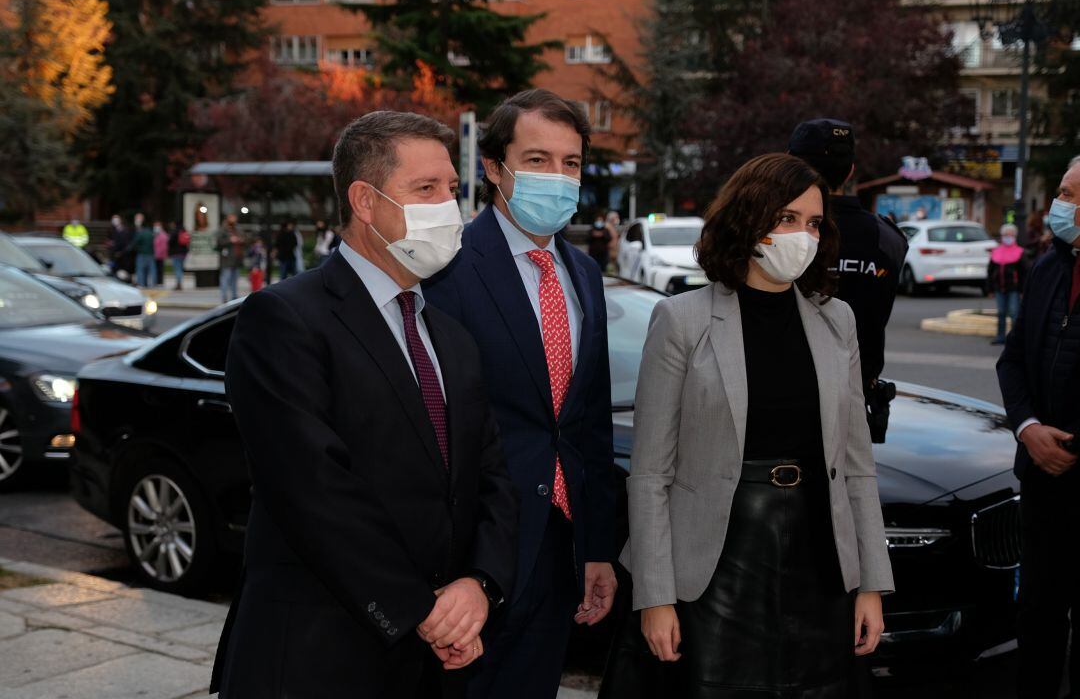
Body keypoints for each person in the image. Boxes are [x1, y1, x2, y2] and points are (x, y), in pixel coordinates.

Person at [210, 111, 519, 699]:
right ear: (365, 201)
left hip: (434, 663)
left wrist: (479, 585)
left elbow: (491, 478)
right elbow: (312, 488)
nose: (447, 206)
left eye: (452, 189)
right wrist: (418, 609)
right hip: (316, 656)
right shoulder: (285, 318)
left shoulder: (450, 336)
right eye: (425, 189)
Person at [603, 153, 893, 699]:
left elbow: (857, 466)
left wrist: (873, 584)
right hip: (715, 568)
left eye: (812, 223)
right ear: (748, 219)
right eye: (786, 219)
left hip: (820, 561)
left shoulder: (837, 321)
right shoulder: (682, 321)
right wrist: (655, 596)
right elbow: (649, 474)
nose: (802, 236)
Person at [425, 89, 617, 699]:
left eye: (571, 164)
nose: (557, 178)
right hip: (470, 552)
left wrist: (597, 547)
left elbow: (587, 421)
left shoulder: (583, 273)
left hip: (559, 548)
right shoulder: (446, 264)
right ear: (493, 168)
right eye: (537, 160)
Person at [996, 158, 1080, 699]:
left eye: (1071, 194)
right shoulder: (1049, 266)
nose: (1060, 205)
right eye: (1063, 192)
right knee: (1038, 616)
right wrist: (1028, 428)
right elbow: (1014, 361)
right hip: (1043, 482)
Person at [789, 119, 908, 443]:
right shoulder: (888, 238)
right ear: (851, 169)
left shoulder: (781, 235)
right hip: (858, 401)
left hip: (789, 402)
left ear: (792, 166)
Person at [988, 223, 1026, 346]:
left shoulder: (1020, 252)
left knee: (1014, 314)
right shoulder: (996, 252)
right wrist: (989, 289)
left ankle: (1015, 338)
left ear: (1014, 236)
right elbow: (990, 272)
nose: (1007, 237)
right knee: (1001, 313)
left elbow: (1023, 274)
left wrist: (1022, 290)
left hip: (1014, 289)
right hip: (999, 288)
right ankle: (1000, 336)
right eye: (1005, 235)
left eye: (1010, 235)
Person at [216, 214, 245, 303]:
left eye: (234, 218)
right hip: (227, 258)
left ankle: (234, 296)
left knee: (235, 278)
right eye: (232, 218)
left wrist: (241, 239)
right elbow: (219, 242)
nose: (233, 220)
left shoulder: (238, 228)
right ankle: (224, 296)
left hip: (237, 257)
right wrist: (230, 240)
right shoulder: (223, 229)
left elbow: (245, 238)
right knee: (226, 277)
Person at [130, 214, 157, 287]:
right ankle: (152, 284)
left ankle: (141, 284)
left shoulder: (140, 233)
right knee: (151, 270)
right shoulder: (151, 233)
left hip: (141, 253)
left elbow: (135, 243)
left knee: (140, 270)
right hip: (150, 253)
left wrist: (131, 249)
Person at [168, 222, 190, 291]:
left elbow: (170, 242)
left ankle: (179, 284)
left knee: (177, 269)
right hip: (183, 253)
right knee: (180, 268)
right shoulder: (184, 231)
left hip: (176, 253)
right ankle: (179, 283)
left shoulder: (175, 232)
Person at [152, 220, 168, 287]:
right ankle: (156, 281)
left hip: (160, 255)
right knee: (155, 269)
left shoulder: (163, 235)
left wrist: (158, 254)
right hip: (154, 255)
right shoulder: (153, 234)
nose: (156, 227)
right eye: (155, 226)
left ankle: (160, 282)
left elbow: (164, 246)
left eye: (158, 225)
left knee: (160, 269)